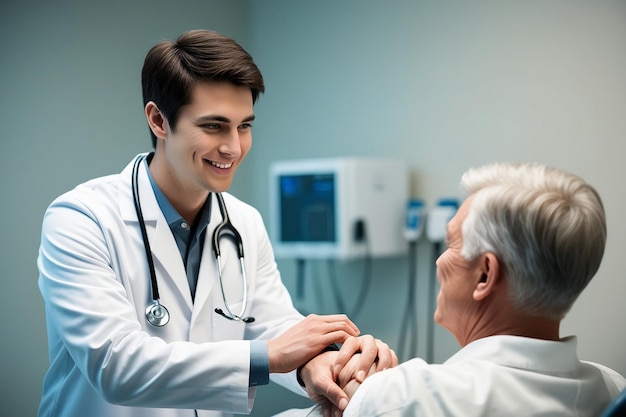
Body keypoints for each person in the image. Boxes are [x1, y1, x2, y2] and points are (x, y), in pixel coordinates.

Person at [36, 29, 396, 417]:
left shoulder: (243, 223)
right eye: (214, 126)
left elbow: (271, 326)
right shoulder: (81, 219)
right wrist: (272, 355)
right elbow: (116, 367)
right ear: (159, 120)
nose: (234, 147)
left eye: (244, 126)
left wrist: (327, 367)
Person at [281, 161, 626, 417]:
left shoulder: (405, 398)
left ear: (484, 276)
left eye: (451, 245)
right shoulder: (613, 390)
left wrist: (354, 385)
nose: (437, 262)